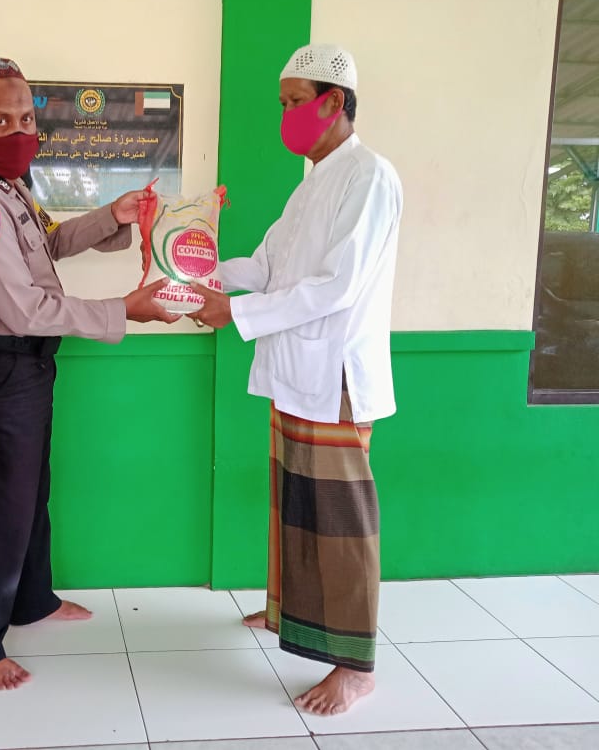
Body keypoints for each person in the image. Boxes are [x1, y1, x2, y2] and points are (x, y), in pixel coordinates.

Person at [0, 55, 178, 690]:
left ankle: (31, 600)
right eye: (1, 120)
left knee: (29, 493)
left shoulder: (9, 187)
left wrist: (112, 216)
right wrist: (123, 309)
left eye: (26, 118)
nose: (19, 130)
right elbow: (24, 309)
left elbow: (46, 245)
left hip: (28, 366)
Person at [190, 44, 403, 716]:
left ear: (333, 102)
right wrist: (194, 272)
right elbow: (266, 266)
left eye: (294, 102)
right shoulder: (311, 182)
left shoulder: (369, 177)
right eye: (282, 103)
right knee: (295, 505)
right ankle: (288, 612)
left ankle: (355, 668)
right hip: (296, 373)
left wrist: (235, 313)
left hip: (334, 375)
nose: (285, 115)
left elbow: (337, 286)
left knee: (340, 523)